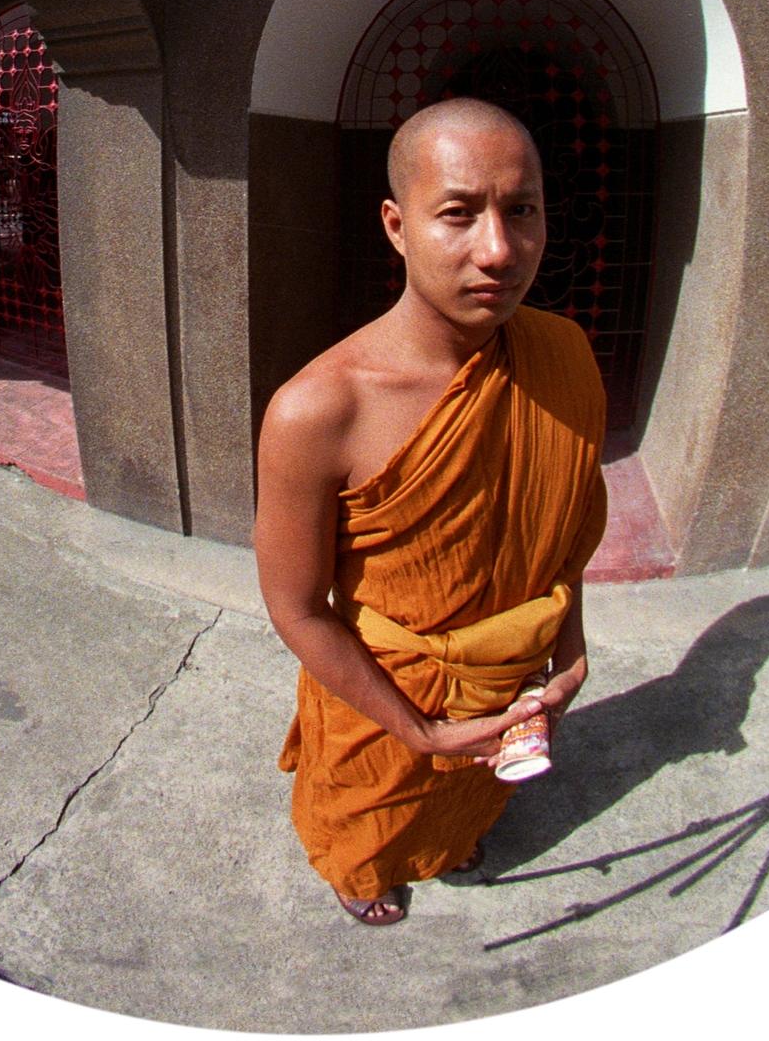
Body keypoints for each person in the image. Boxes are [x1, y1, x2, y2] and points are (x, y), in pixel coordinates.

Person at [253, 97, 608, 925]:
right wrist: (415, 731)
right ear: (395, 223)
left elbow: (562, 536)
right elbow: (298, 609)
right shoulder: (318, 410)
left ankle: (447, 837)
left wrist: (571, 649)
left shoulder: (562, 353)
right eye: (457, 214)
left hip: (505, 685)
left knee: (469, 802)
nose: (498, 250)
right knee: (364, 819)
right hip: (384, 695)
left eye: (521, 211)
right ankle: (362, 869)